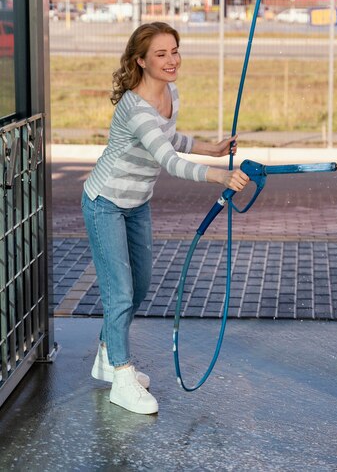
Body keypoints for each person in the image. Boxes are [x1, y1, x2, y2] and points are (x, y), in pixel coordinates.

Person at [81, 21, 249, 415]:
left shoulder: (169, 93)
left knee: (139, 287)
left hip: (137, 203)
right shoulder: (135, 107)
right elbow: (170, 161)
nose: (172, 60)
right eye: (161, 54)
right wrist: (220, 174)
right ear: (140, 60)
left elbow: (170, 137)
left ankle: (108, 355)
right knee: (119, 292)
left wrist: (212, 147)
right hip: (105, 201)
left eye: (174, 50)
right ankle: (121, 379)